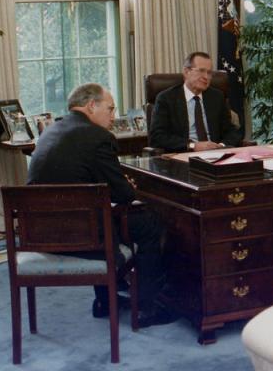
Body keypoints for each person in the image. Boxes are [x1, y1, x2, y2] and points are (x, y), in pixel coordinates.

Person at [27, 83, 175, 327]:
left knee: (102, 214)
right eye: (110, 109)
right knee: (151, 225)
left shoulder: (51, 130)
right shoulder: (98, 137)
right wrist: (126, 185)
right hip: (79, 236)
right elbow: (124, 194)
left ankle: (106, 300)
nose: (113, 116)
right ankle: (149, 307)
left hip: (41, 231)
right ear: (91, 106)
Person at [148, 52, 243, 152]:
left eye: (209, 73)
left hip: (216, 155)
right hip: (184, 155)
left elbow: (231, 131)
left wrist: (222, 146)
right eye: (201, 71)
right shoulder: (166, 98)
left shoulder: (217, 97)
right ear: (186, 72)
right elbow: (157, 137)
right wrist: (193, 146)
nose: (206, 77)